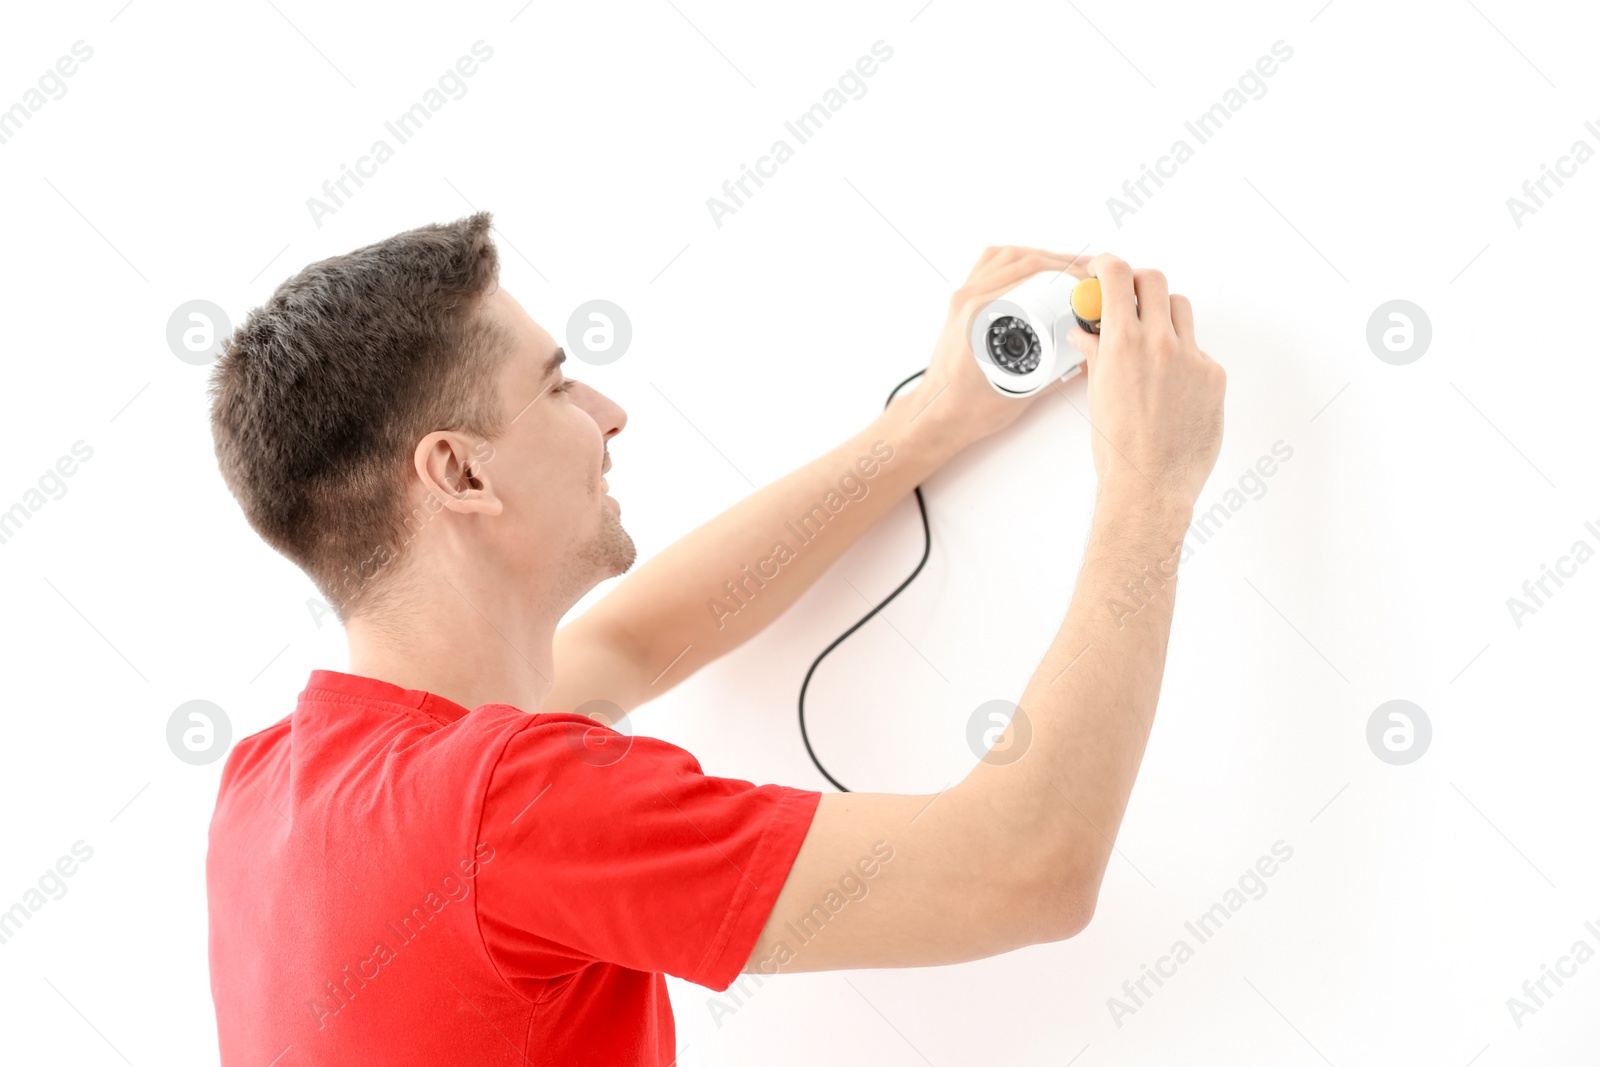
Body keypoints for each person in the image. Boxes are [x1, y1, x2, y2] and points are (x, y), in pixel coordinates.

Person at [203, 212, 1225, 1065]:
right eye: (557, 385)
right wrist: (1150, 486)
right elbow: (1024, 866)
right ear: (460, 474)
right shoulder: (502, 804)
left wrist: (931, 422)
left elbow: (637, 638)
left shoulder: (269, 790)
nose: (609, 413)